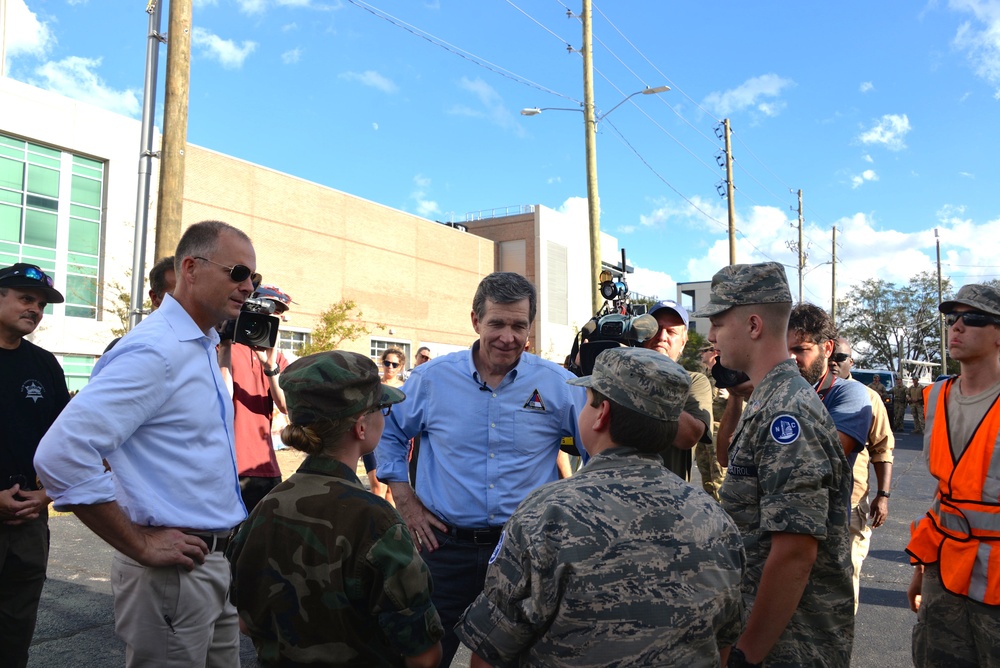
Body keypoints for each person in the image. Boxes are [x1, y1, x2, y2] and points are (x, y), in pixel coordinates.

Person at [35, 220, 256, 666]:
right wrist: (138, 543)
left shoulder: (198, 347)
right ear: (191, 268)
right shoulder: (157, 350)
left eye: (255, 277)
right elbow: (61, 454)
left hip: (208, 564)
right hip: (173, 573)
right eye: (238, 273)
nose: (249, 287)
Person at [456, 347, 746, 666]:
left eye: (588, 401)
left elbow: (490, 650)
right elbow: (722, 645)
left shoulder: (545, 514)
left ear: (602, 413)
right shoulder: (717, 521)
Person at [374, 271, 583, 665]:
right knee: (427, 654)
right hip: (445, 547)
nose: (508, 337)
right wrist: (404, 499)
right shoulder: (430, 380)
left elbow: (600, 446)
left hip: (525, 552)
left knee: (525, 655)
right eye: (497, 323)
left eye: (519, 325)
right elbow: (388, 433)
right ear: (475, 321)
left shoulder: (559, 385)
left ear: (530, 327)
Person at [228, 350, 443, 667]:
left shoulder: (266, 507)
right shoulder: (376, 519)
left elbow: (244, 622)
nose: (386, 416)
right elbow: (423, 657)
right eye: (381, 408)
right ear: (360, 427)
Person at [695, 262, 854, 667]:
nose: (711, 336)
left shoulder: (788, 411)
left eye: (717, 322)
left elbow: (795, 551)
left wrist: (746, 654)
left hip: (791, 645)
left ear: (752, 325)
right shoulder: (768, 398)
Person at [906, 283, 1000, 666]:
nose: (957, 327)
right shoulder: (936, 398)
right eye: (952, 318)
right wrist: (921, 568)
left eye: (973, 318)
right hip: (943, 574)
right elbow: (946, 495)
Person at [0, 263, 70, 668]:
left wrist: (47, 493)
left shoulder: (44, 366)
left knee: (14, 632)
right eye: (26, 298)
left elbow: (65, 442)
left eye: (41, 304)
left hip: (28, 520)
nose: (36, 309)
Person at [829, 337, 894, 613]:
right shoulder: (809, 392)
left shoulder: (868, 397)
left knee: (846, 576)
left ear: (851, 362)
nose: (834, 361)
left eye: (841, 357)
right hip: (813, 502)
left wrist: (883, 495)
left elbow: (882, 449)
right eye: (831, 355)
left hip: (852, 503)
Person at [219, 284, 292, 512]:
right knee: (228, 542)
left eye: (279, 312)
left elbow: (286, 405)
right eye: (268, 310)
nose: (274, 317)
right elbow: (223, 396)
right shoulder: (224, 348)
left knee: (264, 544)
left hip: (266, 467)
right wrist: (226, 345)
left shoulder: (278, 358)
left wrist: (270, 367)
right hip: (229, 466)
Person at [640, 299, 714, 482]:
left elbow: (689, 436)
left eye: (671, 331)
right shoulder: (620, 372)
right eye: (656, 329)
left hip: (668, 499)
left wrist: (646, 383)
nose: (662, 336)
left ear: (683, 342)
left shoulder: (694, 381)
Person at [787, 303, 872, 461]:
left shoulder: (849, 393)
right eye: (786, 350)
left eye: (800, 350)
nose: (791, 358)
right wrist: (737, 398)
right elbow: (727, 456)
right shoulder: (777, 390)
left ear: (827, 348)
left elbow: (823, 459)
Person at [698, 343, 729, 500]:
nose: (701, 354)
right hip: (704, 431)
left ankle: (722, 512)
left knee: (718, 476)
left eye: (704, 351)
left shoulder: (726, 374)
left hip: (718, 430)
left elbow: (750, 403)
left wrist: (731, 397)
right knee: (706, 475)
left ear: (713, 352)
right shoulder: (704, 376)